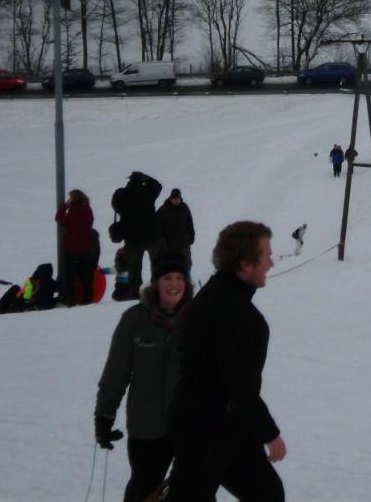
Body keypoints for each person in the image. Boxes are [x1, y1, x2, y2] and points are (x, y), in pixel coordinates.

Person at [167, 222, 286, 502]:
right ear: (245, 264)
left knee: (267, 493)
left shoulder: (218, 295)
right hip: (204, 429)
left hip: (225, 425)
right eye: (266, 256)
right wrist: (269, 433)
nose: (271, 263)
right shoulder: (234, 312)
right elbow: (239, 384)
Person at [95, 254, 192, 502]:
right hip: (147, 425)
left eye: (179, 278)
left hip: (190, 424)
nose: (174, 284)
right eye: (167, 278)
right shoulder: (135, 320)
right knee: (144, 488)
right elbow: (116, 372)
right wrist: (104, 416)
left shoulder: (198, 319)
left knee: (194, 490)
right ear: (156, 283)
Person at [112, 172, 163, 297]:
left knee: (134, 267)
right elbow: (158, 186)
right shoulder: (147, 192)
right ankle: (157, 289)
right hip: (151, 234)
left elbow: (115, 205)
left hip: (132, 237)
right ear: (142, 181)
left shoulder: (122, 194)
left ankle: (135, 291)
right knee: (157, 264)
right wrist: (147, 178)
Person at [56, 189, 95, 305]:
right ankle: (88, 298)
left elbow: (59, 218)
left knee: (70, 275)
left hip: (71, 247)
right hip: (85, 247)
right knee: (84, 274)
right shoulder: (88, 210)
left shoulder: (74, 211)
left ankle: (71, 299)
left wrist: (65, 206)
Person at [157, 188, 196, 280]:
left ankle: (187, 282)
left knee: (187, 264)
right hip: (169, 246)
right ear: (170, 198)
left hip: (184, 244)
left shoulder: (184, 207)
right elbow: (158, 228)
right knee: (171, 267)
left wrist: (191, 236)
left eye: (178, 198)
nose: (176, 200)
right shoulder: (164, 209)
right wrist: (162, 243)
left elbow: (189, 223)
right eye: (174, 198)